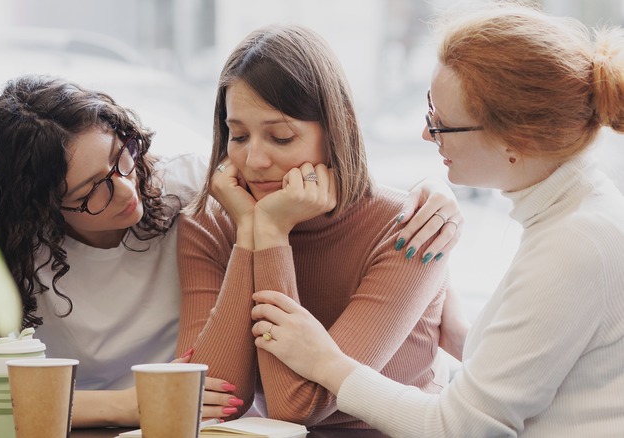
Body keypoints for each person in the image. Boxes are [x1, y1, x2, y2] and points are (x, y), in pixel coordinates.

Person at [0, 74, 460, 429]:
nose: (127, 192)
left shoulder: (188, 191)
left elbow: (333, 190)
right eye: (90, 193)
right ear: (37, 210)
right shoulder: (1, 248)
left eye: (120, 157)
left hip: (200, 423)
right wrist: (128, 404)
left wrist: (434, 191)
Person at [251, 4, 624, 436]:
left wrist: (326, 361)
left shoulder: (574, 244)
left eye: (443, 125)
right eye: (430, 112)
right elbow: (543, 375)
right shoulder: (579, 216)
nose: (427, 135)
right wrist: (459, 335)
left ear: (516, 140)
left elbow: (461, 427)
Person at [176, 24, 462, 429]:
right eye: (237, 135)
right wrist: (249, 234)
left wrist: (272, 234)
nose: (254, 159)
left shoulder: (409, 227)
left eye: (280, 137)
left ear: (338, 128)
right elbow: (211, 399)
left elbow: (299, 406)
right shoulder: (208, 223)